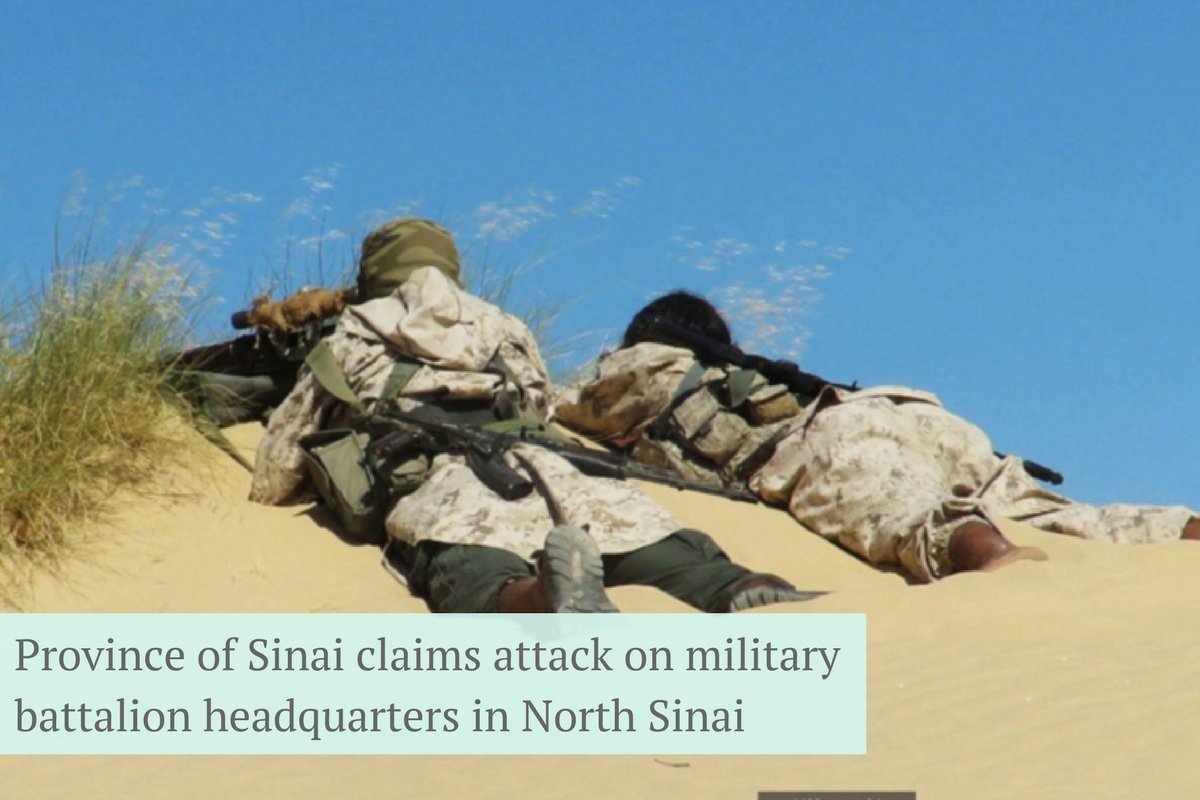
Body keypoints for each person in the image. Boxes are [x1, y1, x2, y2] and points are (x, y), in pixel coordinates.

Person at [250, 222, 820, 613]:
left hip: (439, 478)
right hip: (550, 465)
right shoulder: (503, 326)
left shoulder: (354, 332)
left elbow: (279, 466)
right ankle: (735, 585)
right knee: (637, 535)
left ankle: (536, 597)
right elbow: (540, 403)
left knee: (470, 563)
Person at [553, 290, 1200, 583]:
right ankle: (1183, 533)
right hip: (902, 409)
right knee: (1049, 510)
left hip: (828, 436)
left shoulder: (651, 362)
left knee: (901, 513)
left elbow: (561, 407)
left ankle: (991, 561)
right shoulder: (747, 372)